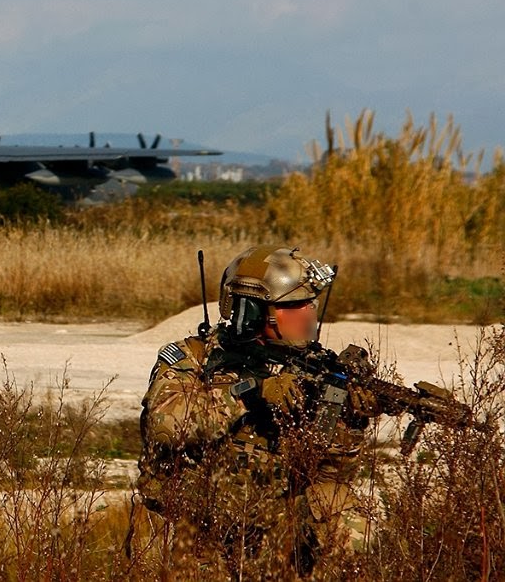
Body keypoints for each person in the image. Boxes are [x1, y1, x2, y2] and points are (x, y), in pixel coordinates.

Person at [137, 246, 382, 576]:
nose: (309, 312)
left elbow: (330, 476)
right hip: (188, 527)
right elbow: (168, 426)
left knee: (336, 503)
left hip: (267, 530)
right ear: (251, 310)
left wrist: (350, 421)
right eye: (293, 305)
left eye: (311, 303)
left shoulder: (311, 368)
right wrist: (250, 393)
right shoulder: (193, 358)